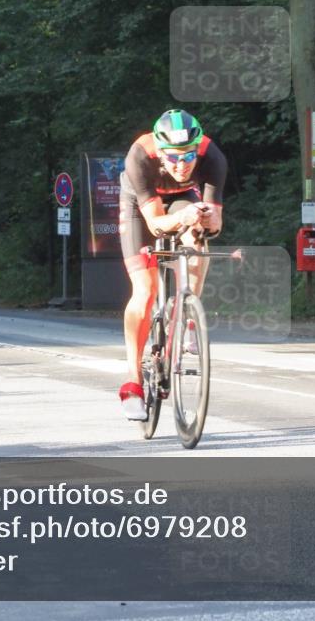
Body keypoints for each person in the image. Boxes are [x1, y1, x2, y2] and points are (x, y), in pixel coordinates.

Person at [117, 110, 226, 419]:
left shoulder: (212, 156)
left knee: (198, 238)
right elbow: (155, 225)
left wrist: (207, 221)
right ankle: (133, 382)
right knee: (145, 290)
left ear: (198, 148)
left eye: (189, 155)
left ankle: (186, 313)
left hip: (182, 197)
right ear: (160, 152)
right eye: (174, 157)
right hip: (140, 206)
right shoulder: (140, 156)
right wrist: (180, 218)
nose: (182, 164)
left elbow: (216, 222)